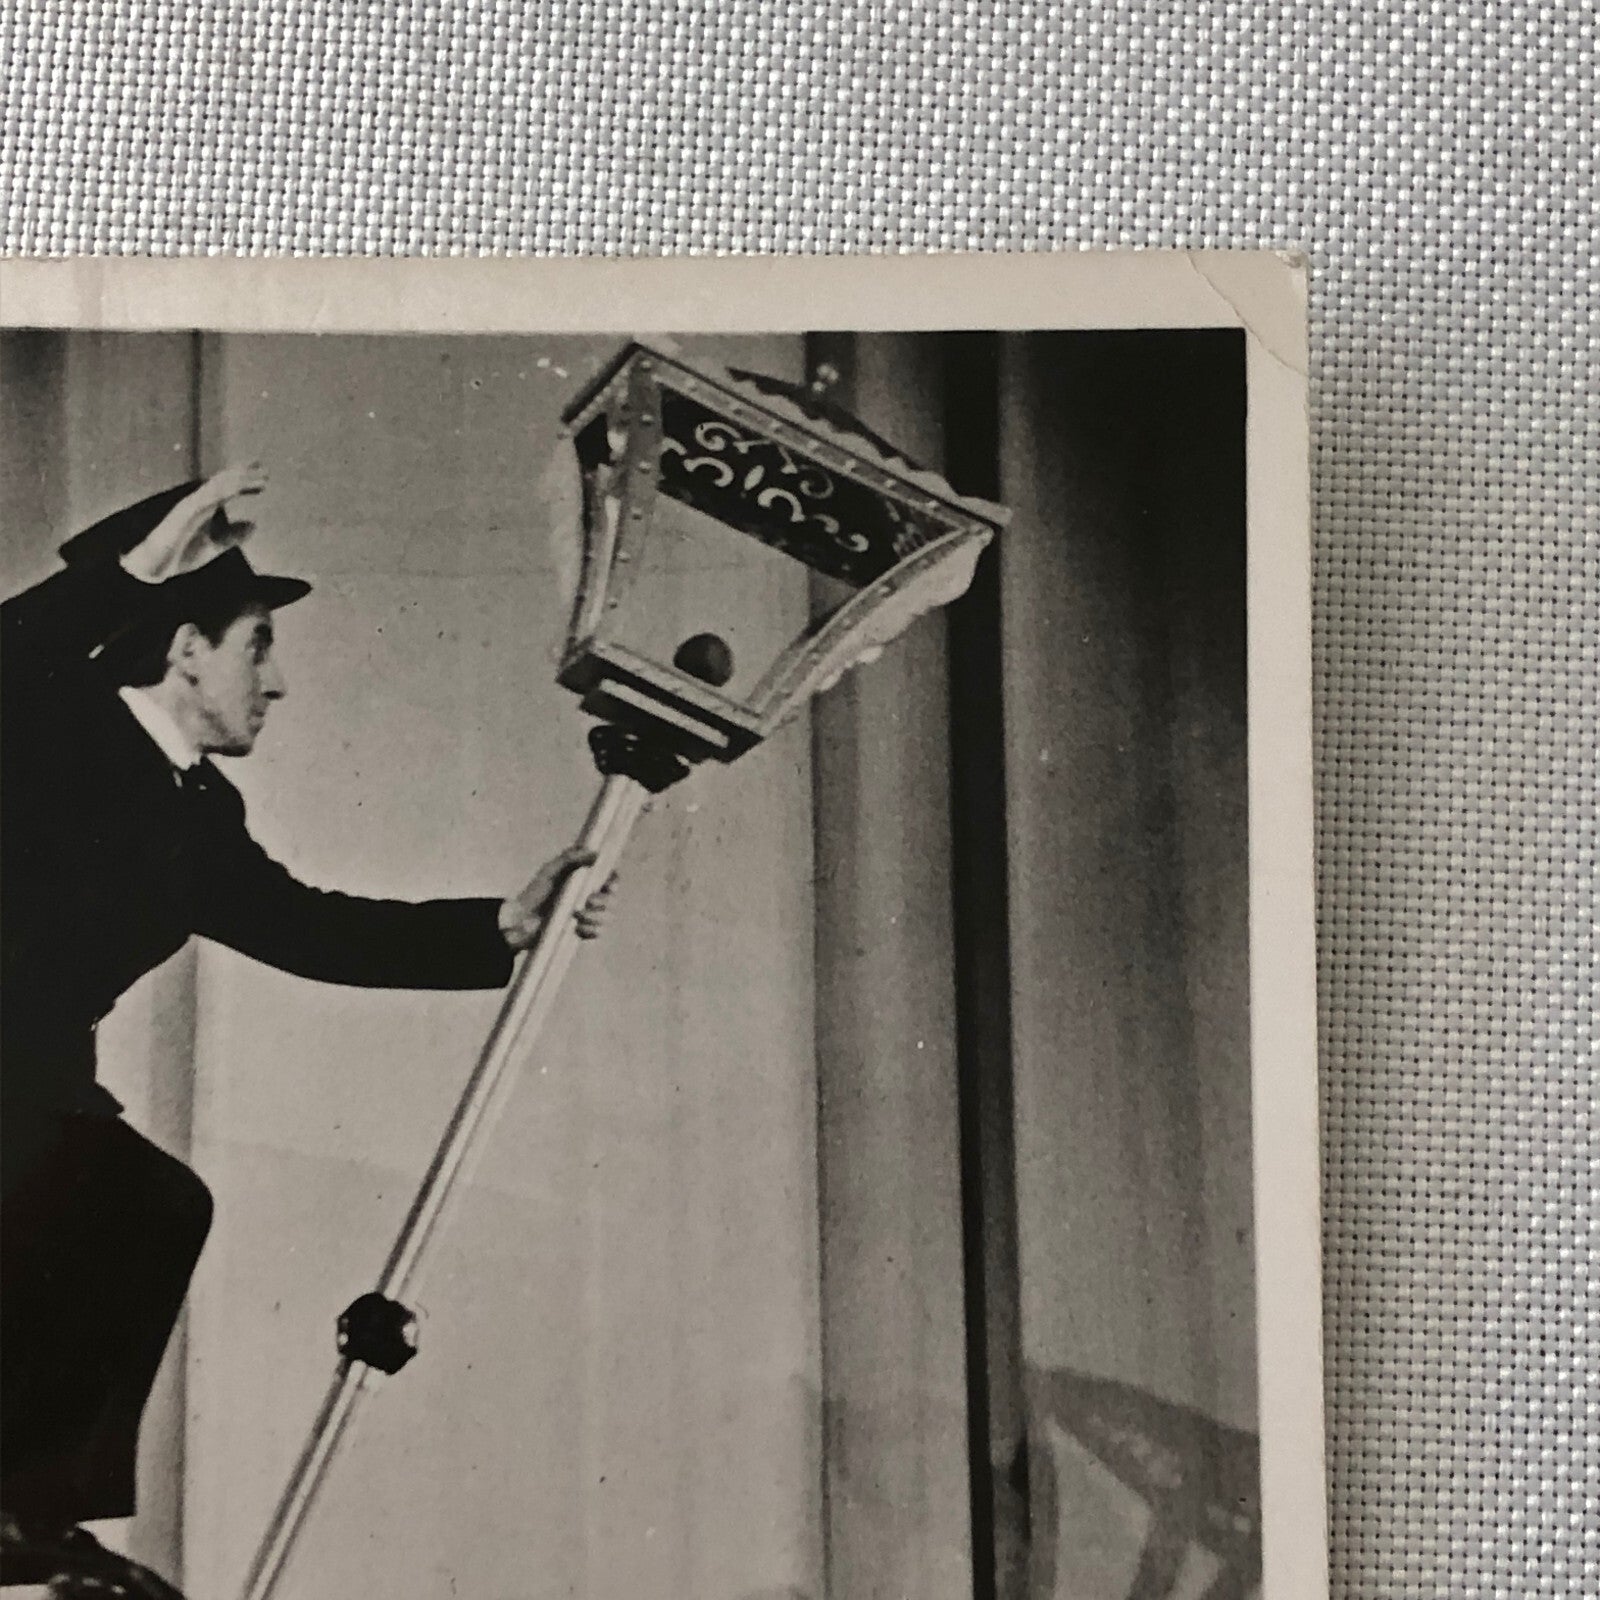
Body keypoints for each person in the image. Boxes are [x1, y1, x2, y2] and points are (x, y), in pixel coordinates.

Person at [1, 465, 613, 1598]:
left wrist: (500, 927)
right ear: (185, 647)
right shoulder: (54, 717)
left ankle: (24, 1514)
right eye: (257, 648)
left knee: (145, 1201)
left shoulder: (195, 808)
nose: (276, 685)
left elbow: (306, 926)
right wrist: (133, 561)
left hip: (30, 1090)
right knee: (113, 1196)